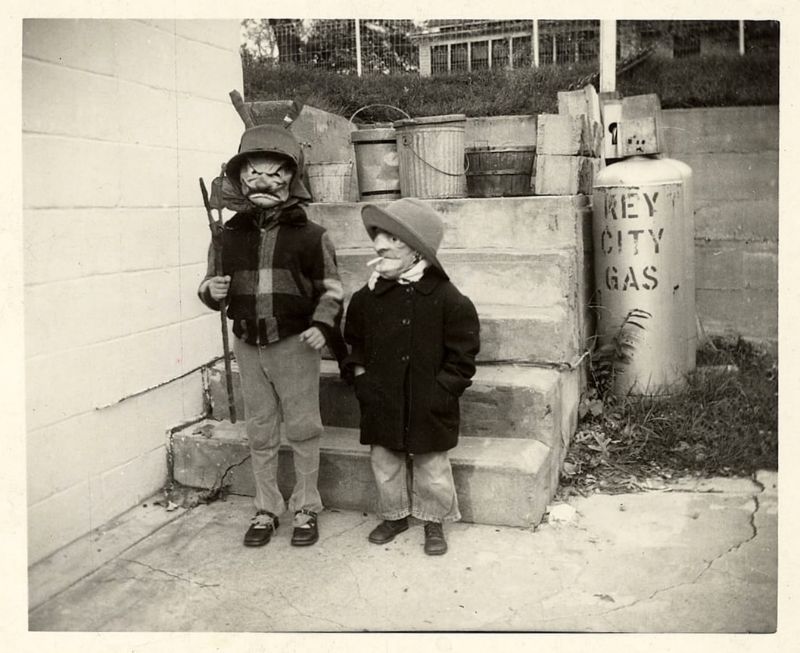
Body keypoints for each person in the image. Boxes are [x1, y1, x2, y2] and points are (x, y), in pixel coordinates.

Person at [198, 124, 344, 548]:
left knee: (302, 428)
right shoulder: (225, 236)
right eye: (252, 174)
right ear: (239, 181)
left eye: (275, 173)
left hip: (295, 344)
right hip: (248, 343)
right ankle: (266, 508)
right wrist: (211, 291)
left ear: (291, 180)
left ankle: (305, 507)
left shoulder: (312, 236)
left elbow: (333, 289)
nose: (263, 182)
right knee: (260, 430)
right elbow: (210, 285)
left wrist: (321, 324)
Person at [343, 198, 480, 555]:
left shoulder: (449, 300)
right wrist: (362, 380)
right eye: (377, 237)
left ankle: (434, 520)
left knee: (432, 465)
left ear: (418, 252)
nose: (379, 245)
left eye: (392, 239)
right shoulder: (366, 299)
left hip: (429, 400)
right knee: (384, 461)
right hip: (380, 397)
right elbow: (353, 343)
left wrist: (442, 391)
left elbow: (463, 357)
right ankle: (394, 515)